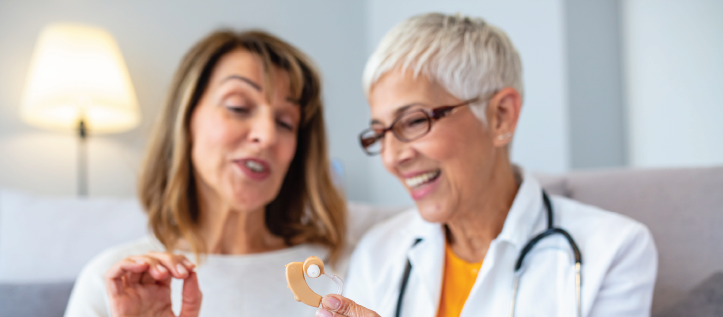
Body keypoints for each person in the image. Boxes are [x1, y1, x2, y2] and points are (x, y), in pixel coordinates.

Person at [316, 13, 657, 317]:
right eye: (380, 134)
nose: (392, 157)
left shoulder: (613, 251)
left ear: (500, 116)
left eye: (414, 121)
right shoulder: (378, 252)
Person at [64, 29, 347, 317]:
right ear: (186, 119)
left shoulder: (342, 273)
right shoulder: (116, 284)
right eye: (238, 107)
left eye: (286, 122)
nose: (267, 135)